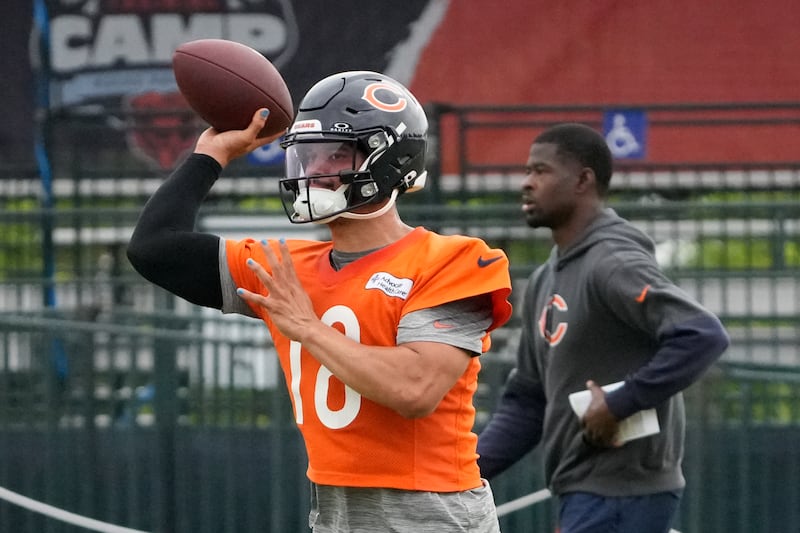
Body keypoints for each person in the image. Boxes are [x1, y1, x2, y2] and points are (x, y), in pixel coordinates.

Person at [126, 70, 513, 532]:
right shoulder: (289, 268)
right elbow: (153, 248)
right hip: (333, 511)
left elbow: (415, 391)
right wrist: (210, 156)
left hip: (431, 513)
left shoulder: (453, 261)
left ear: (388, 160)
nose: (311, 172)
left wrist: (308, 327)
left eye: (334, 155)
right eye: (306, 157)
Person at [476, 123, 730, 533]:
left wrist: (620, 403)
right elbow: (527, 399)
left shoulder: (612, 260)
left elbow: (701, 335)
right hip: (583, 491)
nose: (526, 183)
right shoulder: (545, 278)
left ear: (582, 180)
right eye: (526, 171)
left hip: (624, 494)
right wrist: (463, 470)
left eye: (540, 171)